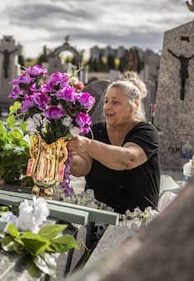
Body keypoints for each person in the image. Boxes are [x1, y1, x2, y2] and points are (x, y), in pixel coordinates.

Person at [67, 71, 160, 214]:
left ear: (134, 104)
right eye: (106, 101)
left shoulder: (146, 132)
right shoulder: (96, 130)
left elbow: (128, 159)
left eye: (115, 102)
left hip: (135, 224)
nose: (107, 106)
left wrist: (87, 145)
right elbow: (83, 167)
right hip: (98, 218)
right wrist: (65, 156)